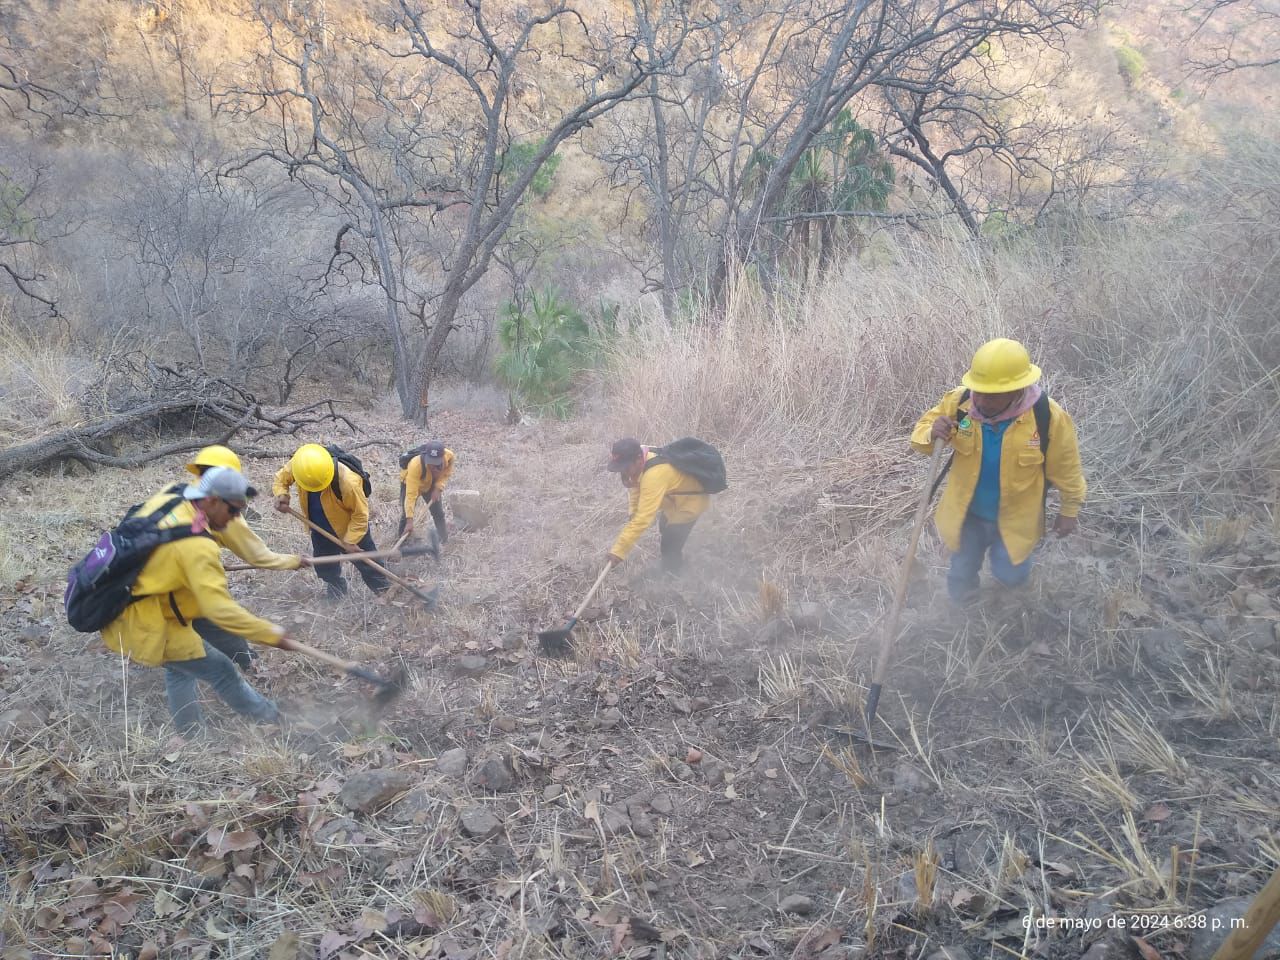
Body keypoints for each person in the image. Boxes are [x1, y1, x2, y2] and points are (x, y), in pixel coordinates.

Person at [99, 467, 295, 736]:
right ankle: (263, 719)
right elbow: (221, 609)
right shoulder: (197, 546)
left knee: (192, 661)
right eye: (233, 511)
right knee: (218, 669)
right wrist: (272, 635)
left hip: (159, 603)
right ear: (212, 500)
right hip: (144, 619)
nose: (235, 519)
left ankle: (195, 730)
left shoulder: (175, 496)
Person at [911, 337, 1087, 604]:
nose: (979, 399)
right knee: (961, 571)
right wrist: (931, 433)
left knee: (1012, 574)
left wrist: (1069, 510)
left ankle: (1007, 612)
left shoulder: (1047, 417)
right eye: (978, 390)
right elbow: (920, 435)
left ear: (1018, 389)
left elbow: (1067, 467)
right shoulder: (960, 403)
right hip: (967, 516)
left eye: (991, 394)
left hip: (1017, 520)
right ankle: (964, 614)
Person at [180, 445, 309, 671]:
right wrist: (295, 561)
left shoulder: (182, 495)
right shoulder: (218, 514)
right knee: (211, 640)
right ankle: (250, 664)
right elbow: (258, 557)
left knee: (180, 665)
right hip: (177, 597)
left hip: (145, 599)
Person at [273, 443, 389, 599]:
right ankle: (336, 590)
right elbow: (281, 478)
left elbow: (360, 515)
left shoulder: (348, 481)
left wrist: (351, 540)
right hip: (319, 526)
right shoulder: (302, 464)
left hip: (349, 527)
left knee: (370, 565)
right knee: (325, 565)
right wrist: (282, 495)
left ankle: (384, 592)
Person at [605, 437, 710, 574]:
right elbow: (637, 487)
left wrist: (618, 552)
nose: (623, 472)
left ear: (637, 460)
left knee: (670, 544)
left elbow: (643, 520)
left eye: (625, 468)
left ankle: (672, 575)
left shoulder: (654, 476)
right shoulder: (643, 454)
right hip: (673, 502)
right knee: (664, 527)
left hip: (690, 504)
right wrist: (633, 512)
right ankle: (672, 560)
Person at [398, 441, 454, 545]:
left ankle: (443, 540)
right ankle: (402, 543)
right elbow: (410, 496)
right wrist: (410, 521)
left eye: (436, 463)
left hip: (432, 483)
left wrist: (438, 488)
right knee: (406, 514)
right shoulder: (415, 465)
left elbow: (446, 473)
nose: (432, 466)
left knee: (438, 513)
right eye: (430, 462)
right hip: (411, 482)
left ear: (442, 457)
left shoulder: (449, 456)